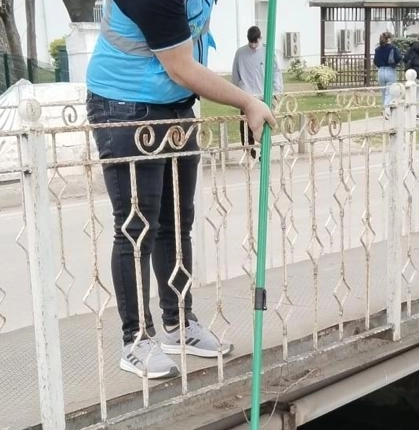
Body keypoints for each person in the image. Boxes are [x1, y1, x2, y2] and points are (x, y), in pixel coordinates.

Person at [86, 0, 278, 380]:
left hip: (175, 105)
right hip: (123, 104)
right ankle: (136, 340)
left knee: (177, 222)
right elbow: (180, 66)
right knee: (136, 228)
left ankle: (178, 324)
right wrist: (246, 101)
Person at [231, 25, 281, 160]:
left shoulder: (268, 52)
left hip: (264, 95)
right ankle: (248, 151)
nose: (253, 45)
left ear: (260, 38)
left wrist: (277, 92)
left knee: (264, 125)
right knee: (245, 126)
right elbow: (235, 75)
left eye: (255, 42)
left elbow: (276, 72)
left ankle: (265, 152)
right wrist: (236, 92)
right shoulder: (240, 53)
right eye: (251, 42)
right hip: (246, 96)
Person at [373, 31, 401, 114]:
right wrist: (395, 63)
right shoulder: (393, 48)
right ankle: (386, 110)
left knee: (383, 92)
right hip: (390, 70)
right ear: (389, 39)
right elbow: (399, 57)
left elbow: (375, 61)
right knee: (389, 92)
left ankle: (384, 109)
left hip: (381, 71)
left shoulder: (377, 49)